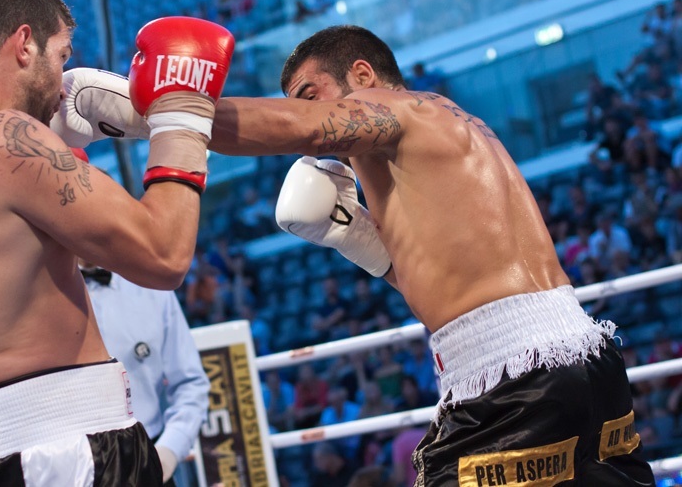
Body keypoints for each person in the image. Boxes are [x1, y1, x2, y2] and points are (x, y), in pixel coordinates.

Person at [203, 25, 654, 484]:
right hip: (585, 357)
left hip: (510, 377)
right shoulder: (446, 130)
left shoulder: (402, 110)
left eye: (310, 95)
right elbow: (446, 275)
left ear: (362, 75)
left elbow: (299, 129)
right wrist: (353, 237)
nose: (306, 111)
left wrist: (170, 111)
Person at [0, 0, 233, 485]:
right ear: (24, 43)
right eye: (62, 54)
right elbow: (164, 254)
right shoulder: (7, 140)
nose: (62, 83)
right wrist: (178, 118)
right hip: (76, 454)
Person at [80, 262, 210, 486]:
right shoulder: (41, 291)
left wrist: (169, 450)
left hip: (148, 457)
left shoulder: (151, 286)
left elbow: (191, 384)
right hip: (75, 466)